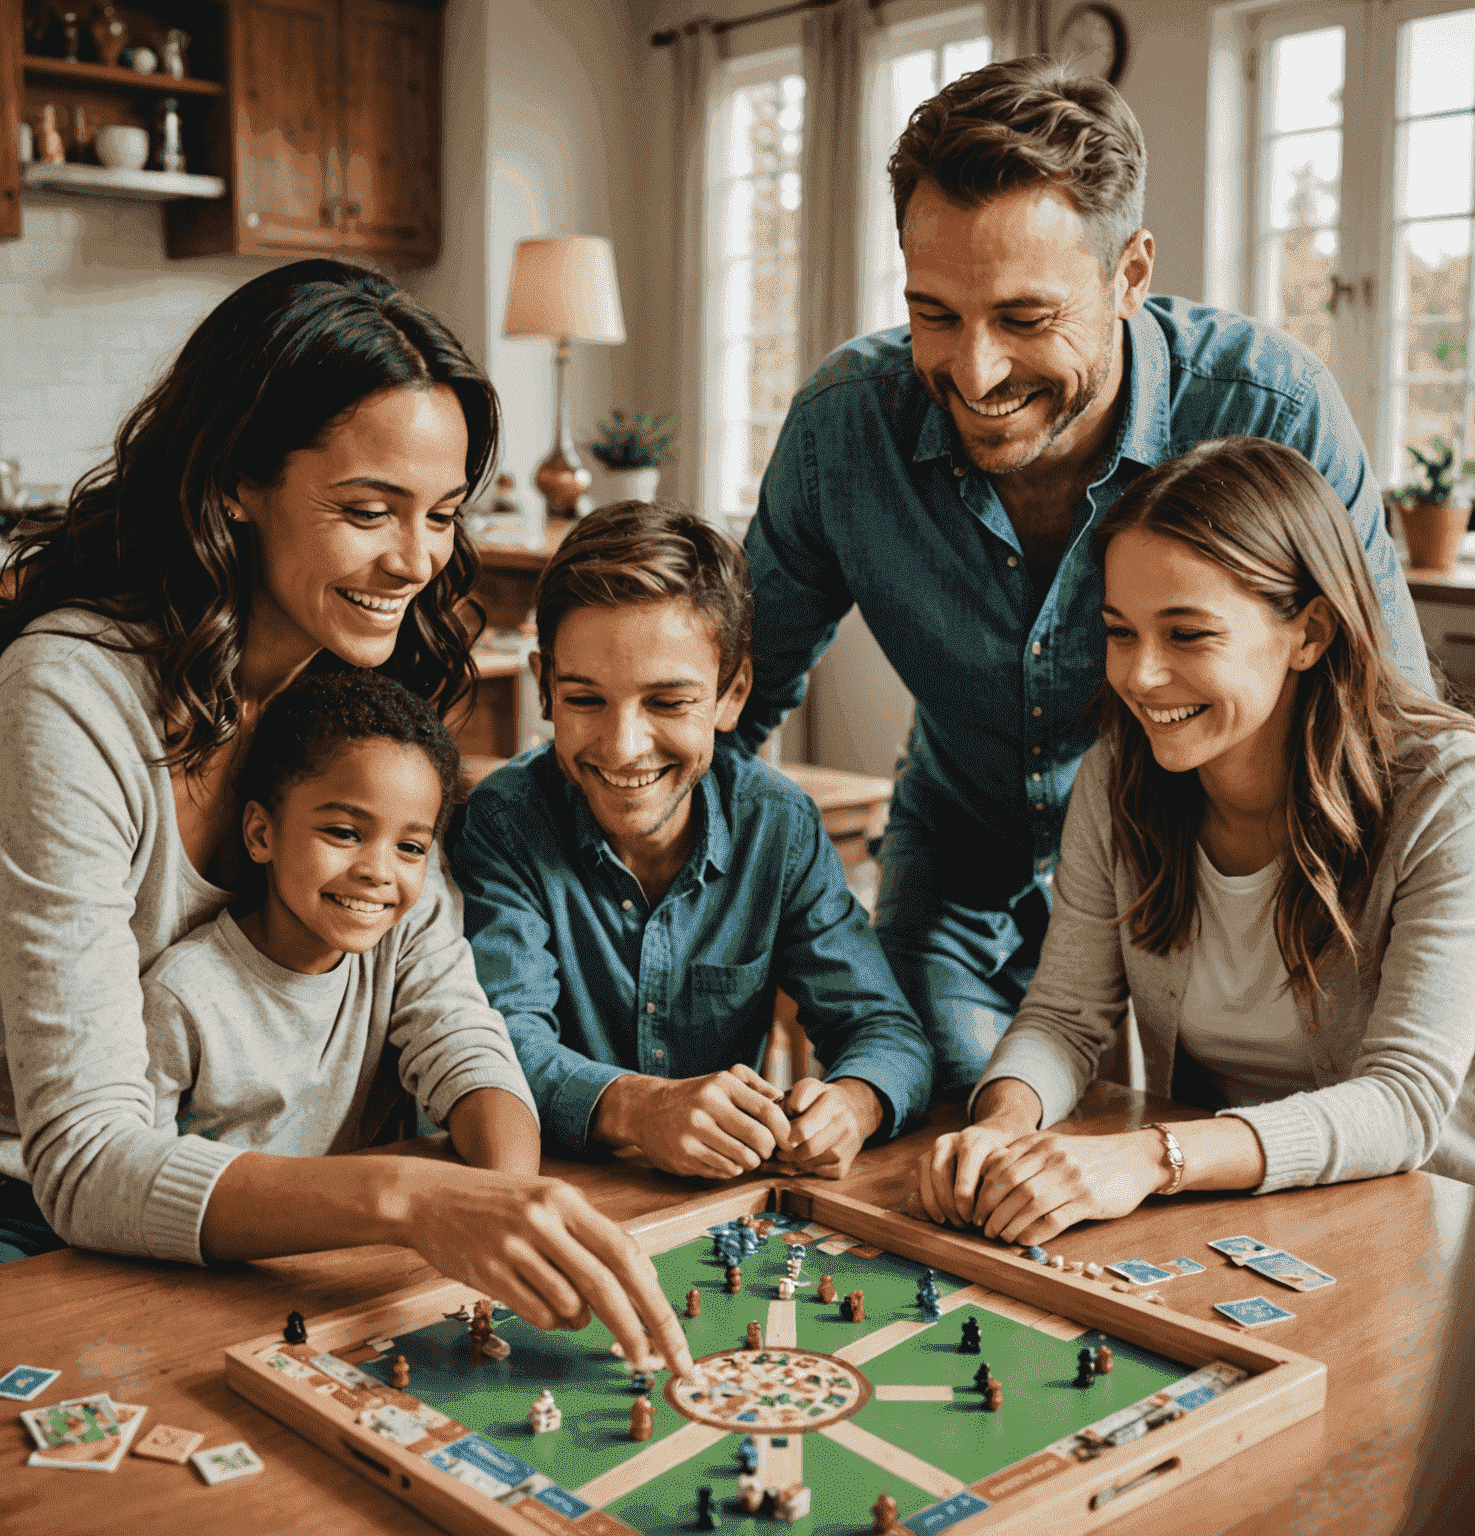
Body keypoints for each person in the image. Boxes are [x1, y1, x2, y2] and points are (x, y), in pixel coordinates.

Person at [0, 260, 691, 1377]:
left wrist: (507, 1193)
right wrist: (407, 1196)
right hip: (20, 1206)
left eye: (440, 515)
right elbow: (88, 1159)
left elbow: (448, 1010)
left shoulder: (353, 691)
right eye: (366, 510)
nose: (416, 561)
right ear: (238, 477)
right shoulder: (70, 698)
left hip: (272, 1195)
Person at [738, 55, 1432, 1098]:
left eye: (1024, 319)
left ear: (1130, 275)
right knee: (959, 1141)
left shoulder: (1271, 409)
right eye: (935, 313)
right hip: (961, 859)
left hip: (1221, 885)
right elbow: (725, 701)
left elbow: (1388, 722)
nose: (972, 375)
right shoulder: (845, 429)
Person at [913, 438, 1475, 1243]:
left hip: (1424, 1223)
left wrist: (1149, 1159)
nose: (1139, 676)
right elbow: (1068, 1015)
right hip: (1230, 1210)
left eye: (1186, 635)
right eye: (1119, 632)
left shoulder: (1449, 794)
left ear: (1309, 633)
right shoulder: (1118, 776)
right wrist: (1004, 1122)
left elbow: (1403, 1101)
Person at [452, 502, 932, 1180]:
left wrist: (852, 1104)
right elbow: (494, 1048)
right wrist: (639, 1108)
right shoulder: (505, 821)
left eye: (668, 703)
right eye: (585, 699)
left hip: (714, 1210)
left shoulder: (778, 825)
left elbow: (886, 1031)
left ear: (732, 694)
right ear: (545, 688)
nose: (623, 748)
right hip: (549, 1199)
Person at [139, 670, 540, 1181]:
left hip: (347, 1252)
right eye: (344, 832)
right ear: (261, 834)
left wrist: (510, 1191)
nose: (377, 871)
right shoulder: (181, 997)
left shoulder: (395, 949)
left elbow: (467, 1050)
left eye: (410, 848)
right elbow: (135, 1179)